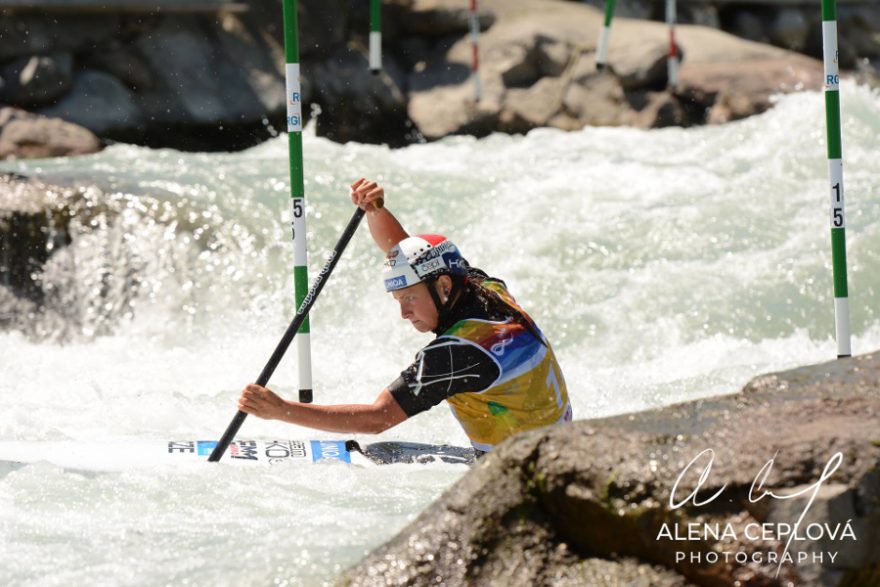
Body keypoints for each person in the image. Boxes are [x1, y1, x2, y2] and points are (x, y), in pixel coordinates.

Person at [238, 178, 572, 454]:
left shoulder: (458, 352)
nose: (403, 312)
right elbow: (408, 254)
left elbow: (377, 418)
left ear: (442, 286)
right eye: (398, 298)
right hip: (558, 449)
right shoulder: (485, 288)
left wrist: (280, 410)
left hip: (519, 473)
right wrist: (375, 211)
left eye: (408, 297)